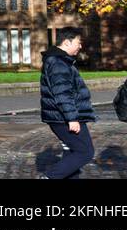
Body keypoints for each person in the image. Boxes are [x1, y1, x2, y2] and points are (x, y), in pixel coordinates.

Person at [39, 27, 97, 179]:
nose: (80, 46)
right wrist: (72, 118)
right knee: (85, 152)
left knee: (71, 153)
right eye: (78, 42)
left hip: (62, 116)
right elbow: (62, 93)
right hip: (64, 118)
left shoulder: (60, 60)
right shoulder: (58, 62)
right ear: (66, 42)